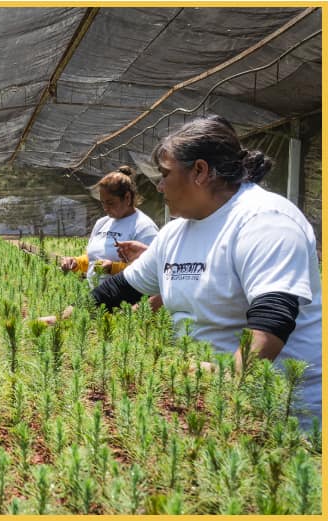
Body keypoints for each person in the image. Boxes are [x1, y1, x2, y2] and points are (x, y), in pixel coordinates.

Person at [91, 115, 321, 426]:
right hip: (207, 402)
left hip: (280, 411)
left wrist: (227, 379)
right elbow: (119, 290)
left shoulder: (264, 219)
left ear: (199, 171)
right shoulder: (176, 232)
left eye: (165, 174)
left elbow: (273, 319)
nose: (159, 186)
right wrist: (63, 317)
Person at [60, 166, 158, 285]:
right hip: (96, 297)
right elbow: (92, 259)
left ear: (127, 197)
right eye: (103, 202)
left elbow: (150, 269)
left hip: (127, 301)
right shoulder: (102, 223)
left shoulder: (144, 227)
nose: (105, 208)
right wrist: (76, 262)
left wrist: (113, 268)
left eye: (110, 203)